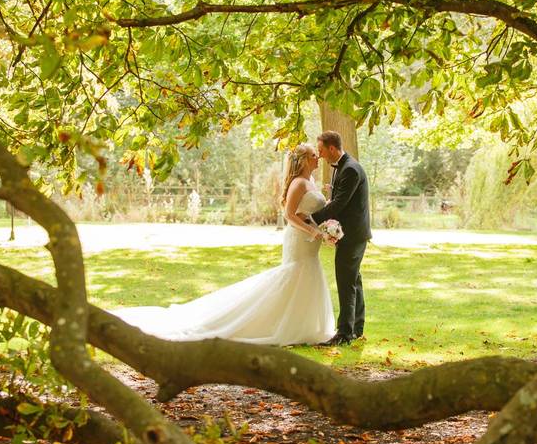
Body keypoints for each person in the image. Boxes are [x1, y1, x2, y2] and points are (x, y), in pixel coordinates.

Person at [111, 143, 334, 346]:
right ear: (304, 160)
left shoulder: (311, 181)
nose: (318, 158)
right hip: (299, 240)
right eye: (314, 155)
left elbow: (310, 210)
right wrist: (313, 231)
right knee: (293, 276)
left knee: (306, 277)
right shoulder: (298, 183)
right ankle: (275, 325)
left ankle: (301, 326)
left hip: (310, 242)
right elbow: (289, 215)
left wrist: (327, 215)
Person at [311, 130, 371, 346]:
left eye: (321, 151)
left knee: (346, 282)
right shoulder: (342, 168)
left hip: (353, 235)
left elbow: (339, 204)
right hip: (351, 234)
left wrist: (311, 218)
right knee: (353, 280)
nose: (320, 156)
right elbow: (336, 200)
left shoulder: (351, 170)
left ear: (332, 149)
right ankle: (356, 328)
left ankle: (344, 333)